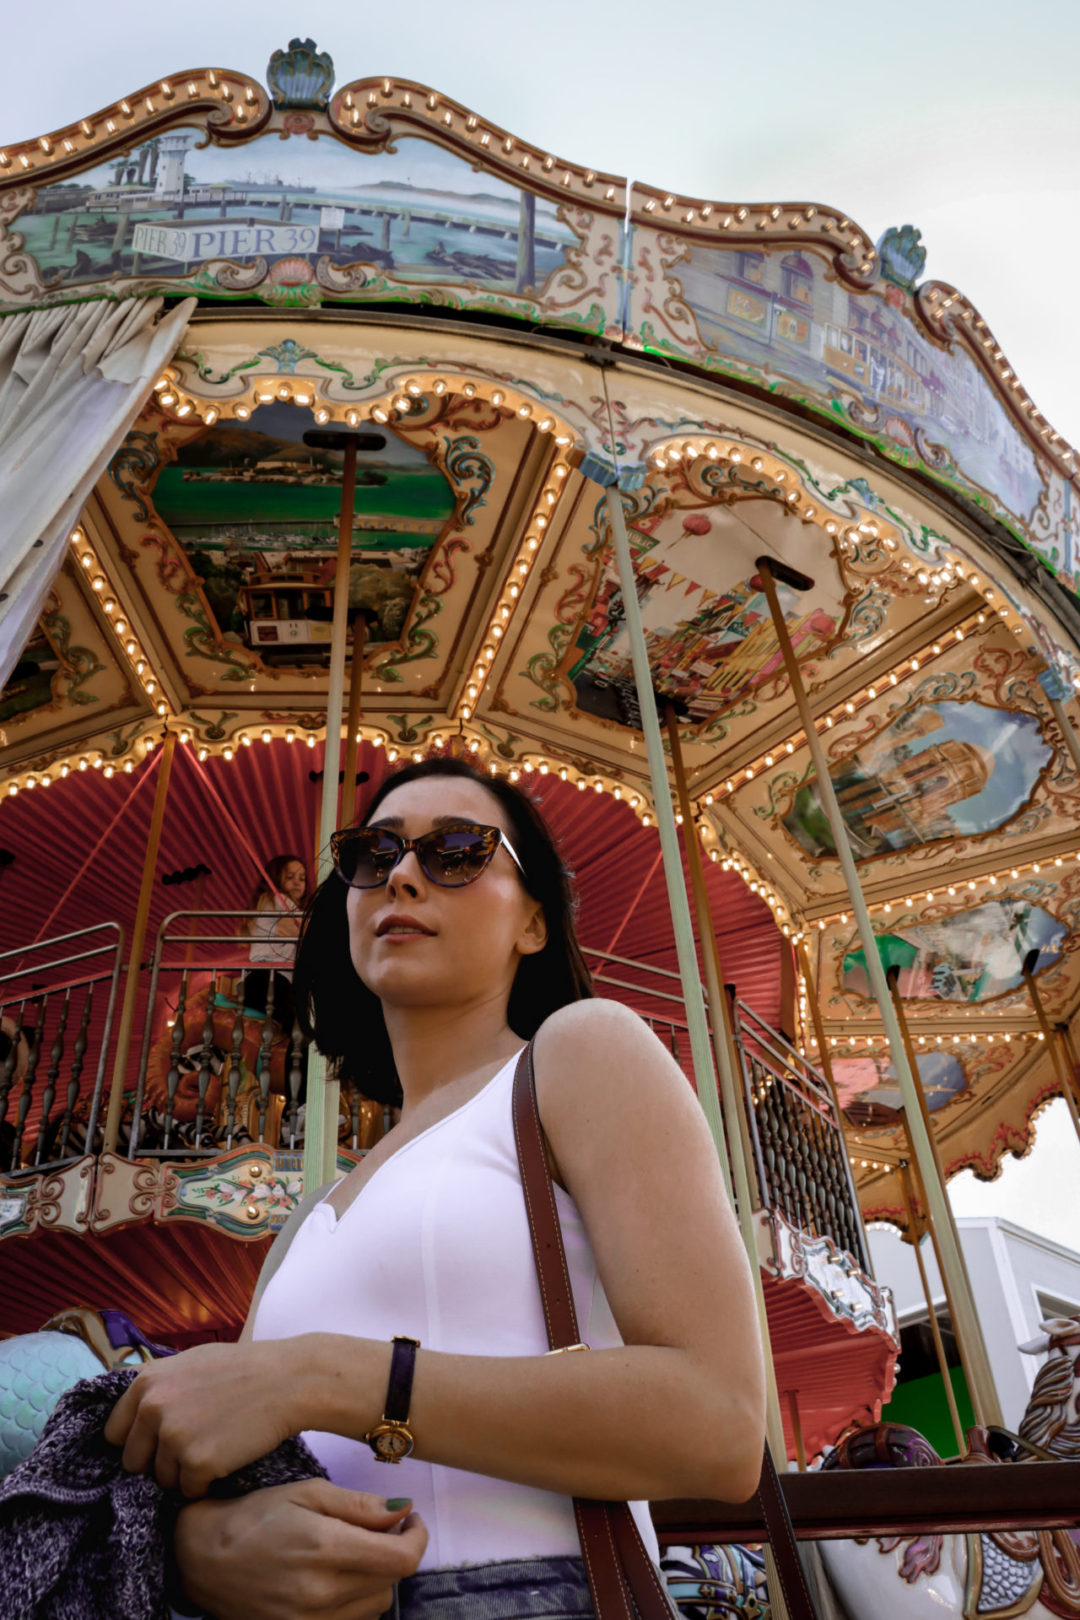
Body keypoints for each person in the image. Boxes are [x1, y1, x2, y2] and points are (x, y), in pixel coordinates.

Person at [104, 758, 766, 1620]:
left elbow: (716, 1426)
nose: (405, 875)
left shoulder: (579, 1053)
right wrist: (205, 1555)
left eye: (456, 851)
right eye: (372, 855)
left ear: (533, 921)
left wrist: (329, 1376)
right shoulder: (314, 1214)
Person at [241, 853, 309, 1032]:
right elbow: (303, 929)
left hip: (261, 978)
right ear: (275, 878)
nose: (297, 882)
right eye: (290, 877)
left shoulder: (269, 902)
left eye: (302, 878)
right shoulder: (278, 899)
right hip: (271, 979)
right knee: (295, 1031)